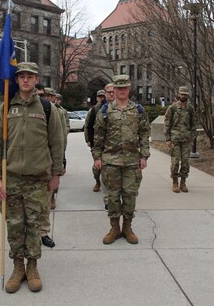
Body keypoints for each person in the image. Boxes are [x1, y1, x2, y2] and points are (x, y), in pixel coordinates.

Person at [0, 62, 64, 293]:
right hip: (10, 178)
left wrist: (56, 174)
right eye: (21, 76)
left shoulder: (46, 108)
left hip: (37, 180)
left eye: (30, 76)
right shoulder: (6, 108)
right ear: (16, 79)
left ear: (36, 79)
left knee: (34, 225)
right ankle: (17, 267)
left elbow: (57, 142)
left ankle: (32, 267)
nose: (25, 80)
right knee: (14, 226)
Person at [92, 74, 150, 245]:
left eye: (125, 87)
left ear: (129, 89)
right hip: (110, 161)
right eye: (119, 87)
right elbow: (98, 136)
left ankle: (127, 227)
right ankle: (114, 228)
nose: (122, 90)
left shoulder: (138, 110)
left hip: (132, 162)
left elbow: (145, 133)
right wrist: (97, 157)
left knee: (130, 196)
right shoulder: (105, 111)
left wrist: (144, 155)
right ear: (114, 90)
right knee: (112, 197)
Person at [40, 87, 67, 247]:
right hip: (22, 168)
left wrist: (60, 163)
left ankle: (43, 233)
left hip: (46, 164)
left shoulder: (53, 110)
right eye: (44, 95)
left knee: (44, 203)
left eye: (47, 95)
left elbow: (60, 137)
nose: (47, 97)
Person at [163, 85, 197, 193]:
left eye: (185, 94)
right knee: (175, 161)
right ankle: (174, 181)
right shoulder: (172, 108)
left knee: (186, 162)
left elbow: (193, 124)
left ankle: (183, 182)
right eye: (181, 94)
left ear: (187, 95)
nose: (183, 96)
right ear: (179, 94)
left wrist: (192, 139)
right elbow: (167, 124)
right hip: (175, 139)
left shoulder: (190, 108)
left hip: (186, 139)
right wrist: (168, 139)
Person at [84, 89, 106, 192]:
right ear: (97, 98)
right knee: (97, 165)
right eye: (100, 96)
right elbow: (87, 126)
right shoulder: (93, 110)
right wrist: (88, 140)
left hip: (108, 142)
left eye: (103, 96)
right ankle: (97, 181)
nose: (102, 98)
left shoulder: (110, 108)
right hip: (96, 142)